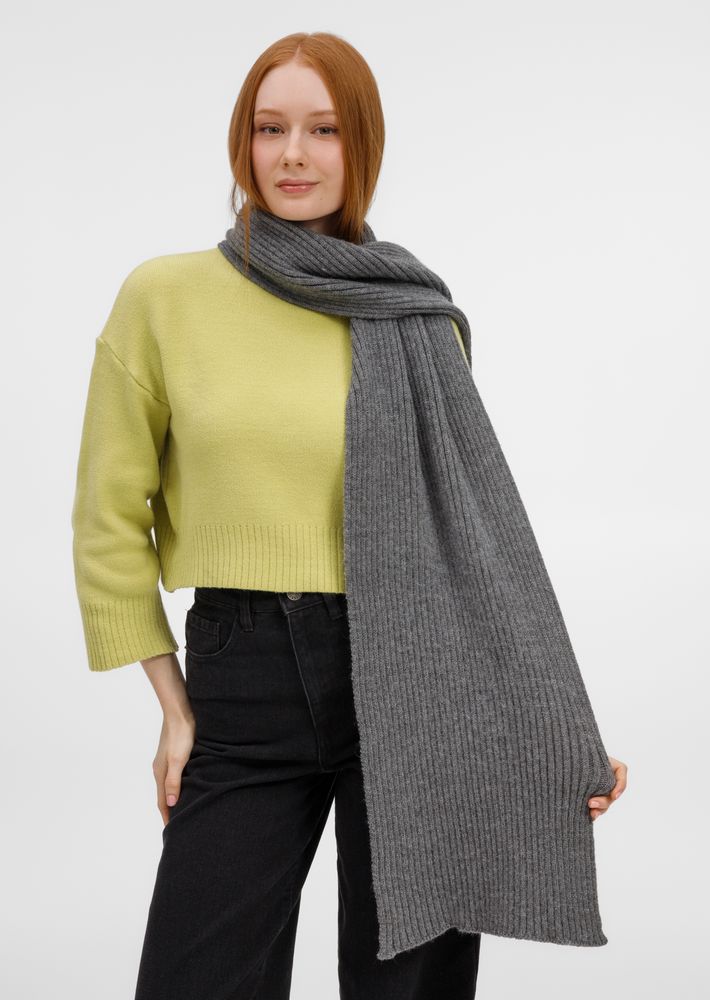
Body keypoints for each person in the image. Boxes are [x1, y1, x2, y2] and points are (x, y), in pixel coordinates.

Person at [71, 30, 627, 1000]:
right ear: (242, 142)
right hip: (246, 670)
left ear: (361, 142)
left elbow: (473, 542)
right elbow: (108, 517)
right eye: (269, 128)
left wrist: (551, 723)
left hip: (420, 670)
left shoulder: (413, 312)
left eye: (324, 129)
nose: (293, 154)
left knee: (408, 984)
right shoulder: (165, 297)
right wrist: (174, 707)